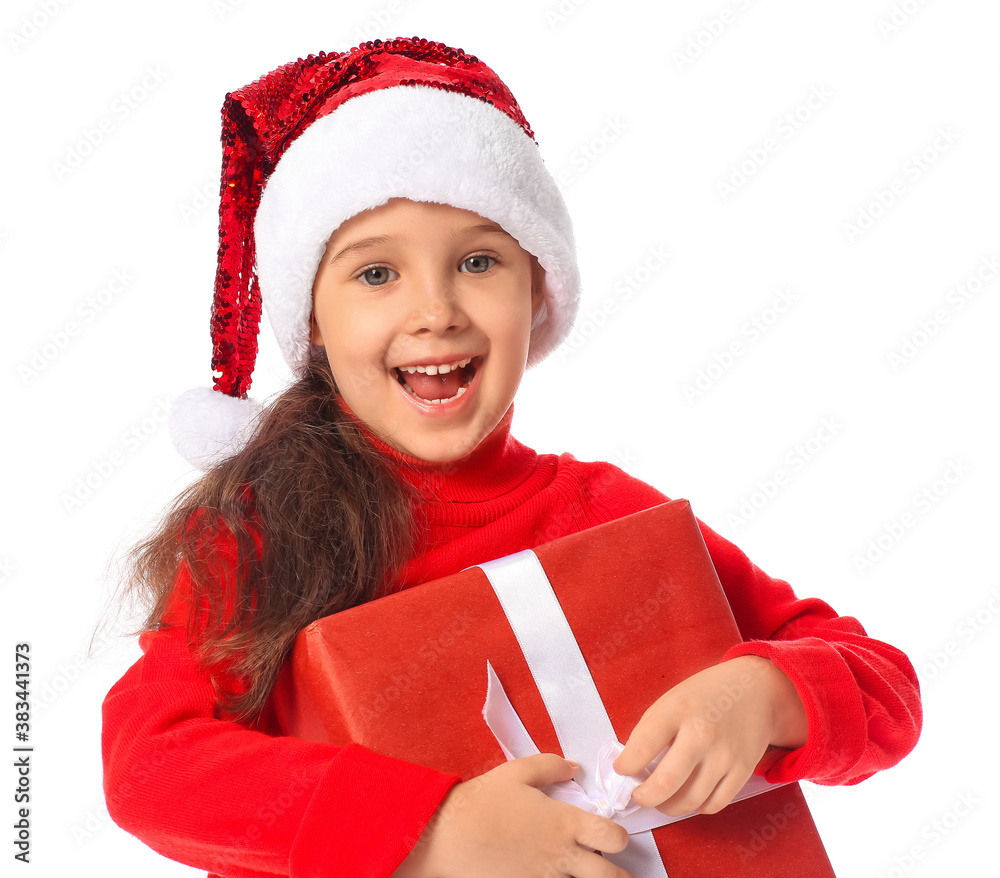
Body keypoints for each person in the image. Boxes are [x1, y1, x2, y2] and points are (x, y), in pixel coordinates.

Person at [101, 36, 922, 878]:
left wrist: (769, 694)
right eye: (376, 273)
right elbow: (149, 767)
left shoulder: (609, 515)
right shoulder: (254, 539)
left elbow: (883, 685)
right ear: (312, 320)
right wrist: (433, 827)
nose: (435, 311)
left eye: (479, 261)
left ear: (538, 291)